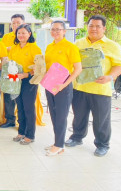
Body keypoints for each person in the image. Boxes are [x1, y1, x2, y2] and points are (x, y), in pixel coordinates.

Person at [65, 15, 121, 157]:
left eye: (98, 26)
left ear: (104, 28)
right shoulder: (78, 43)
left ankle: (102, 144)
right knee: (79, 115)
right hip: (80, 87)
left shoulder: (112, 45)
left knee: (101, 119)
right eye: (91, 26)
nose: (94, 29)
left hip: (101, 89)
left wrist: (110, 77)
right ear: (87, 27)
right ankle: (77, 137)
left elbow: (120, 65)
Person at [44, 21, 82, 156]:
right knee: (54, 115)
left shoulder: (70, 47)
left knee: (61, 115)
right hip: (50, 84)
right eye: (52, 29)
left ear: (64, 31)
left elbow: (78, 69)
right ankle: (57, 143)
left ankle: (59, 144)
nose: (55, 32)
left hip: (63, 86)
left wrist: (63, 85)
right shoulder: (49, 46)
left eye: (58, 29)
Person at [9, 24, 42, 145]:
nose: (21, 35)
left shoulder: (35, 48)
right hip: (16, 80)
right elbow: (10, 66)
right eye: (19, 33)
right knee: (20, 107)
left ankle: (30, 135)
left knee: (28, 108)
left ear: (29, 34)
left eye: (24, 33)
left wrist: (27, 74)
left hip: (30, 81)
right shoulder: (14, 48)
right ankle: (21, 132)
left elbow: (39, 67)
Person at [0, 14, 25, 129]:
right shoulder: (6, 37)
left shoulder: (27, 36)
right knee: (9, 95)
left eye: (18, 23)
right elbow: (3, 52)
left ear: (23, 23)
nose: (15, 25)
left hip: (22, 72)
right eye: (13, 23)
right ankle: (10, 119)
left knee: (21, 98)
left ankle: (22, 122)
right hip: (9, 70)